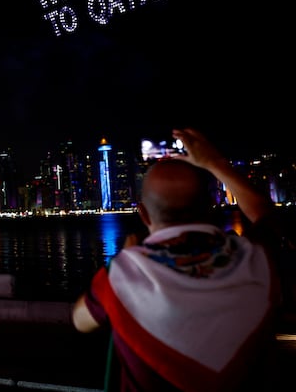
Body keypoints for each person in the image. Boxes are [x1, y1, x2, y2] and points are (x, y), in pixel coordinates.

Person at [72, 128, 282, 391]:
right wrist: (215, 164)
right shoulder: (258, 259)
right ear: (209, 206)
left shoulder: (124, 274)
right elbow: (267, 217)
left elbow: (80, 320)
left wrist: (123, 259)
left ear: (143, 214)